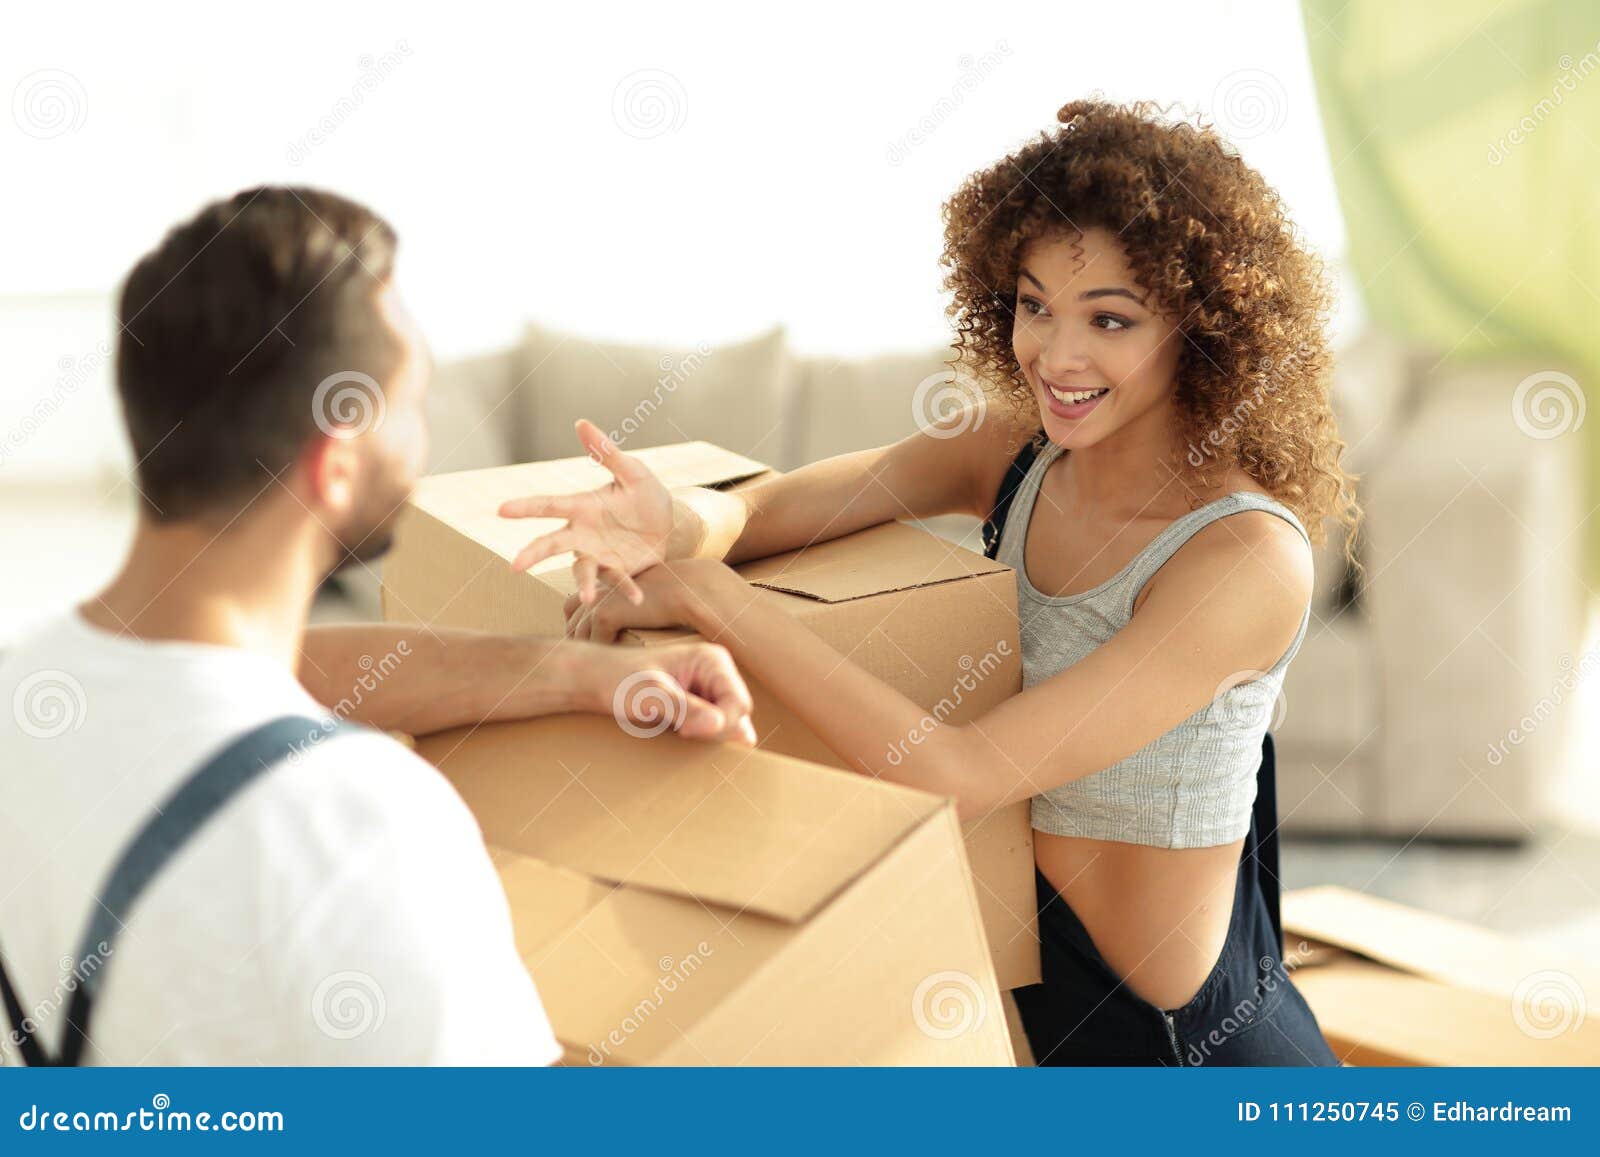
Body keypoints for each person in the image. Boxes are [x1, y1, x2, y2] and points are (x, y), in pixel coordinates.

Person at [498, 101, 1362, 1066]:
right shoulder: (1017, 450)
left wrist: (710, 598)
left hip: (1176, 1048)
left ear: (1201, 330)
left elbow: (958, 777)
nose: (1057, 356)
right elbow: (784, 504)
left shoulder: (1240, 560)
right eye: (1035, 305)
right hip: (1028, 988)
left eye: (1109, 320)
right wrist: (679, 524)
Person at [0, 187, 753, 1066]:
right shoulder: (354, 823)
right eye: (414, 400)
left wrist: (579, 673)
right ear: (335, 462)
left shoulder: (33, 688)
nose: (426, 437)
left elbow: (256, 683)